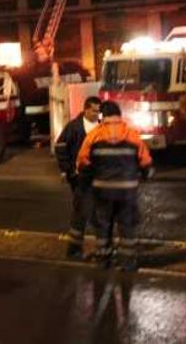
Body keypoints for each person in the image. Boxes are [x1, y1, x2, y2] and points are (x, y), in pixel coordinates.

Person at [76, 100, 153, 271]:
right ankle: (127, 262)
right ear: (119, 114)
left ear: (103, 115)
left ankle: (103, 260)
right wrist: (143, 174)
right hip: (127, 191)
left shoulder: (94, 135)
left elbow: (82, 162)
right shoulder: (132, 134)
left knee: (103, 225)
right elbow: (146, 162)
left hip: (102, 190)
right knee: (126, 226)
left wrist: (88, 179)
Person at [54, 96, 101, 259]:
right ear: (86, 110)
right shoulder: (74, 127)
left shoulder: (101, 126)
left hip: (96, 177)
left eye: (98, 111)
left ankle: (100, 246)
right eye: (94, 111)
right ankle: (75, 249)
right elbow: (60, 146)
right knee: (82, 211)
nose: (97, 114)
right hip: (79, 178)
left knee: (96, 212)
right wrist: (67, 170)